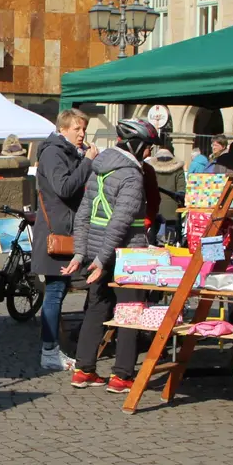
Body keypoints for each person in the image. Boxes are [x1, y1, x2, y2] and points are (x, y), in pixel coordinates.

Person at [64, 119, 161, 393]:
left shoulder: (99, 169)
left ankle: (83, 370)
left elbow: (83, 215)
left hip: (98, 251)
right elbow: (120, 222)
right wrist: (100, 259)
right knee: (129, 312)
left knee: (97, 307)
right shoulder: (131, 174)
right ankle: (122, 376)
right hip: (126, 252)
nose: (149, 154)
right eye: (147, 148)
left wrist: (84, 253)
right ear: (137, 145)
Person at [30, 109, 96, 371]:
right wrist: (87, 161)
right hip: (56, 234)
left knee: (59, 291)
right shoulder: (54, 153)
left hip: (65, 230)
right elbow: (65, 188)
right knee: (55, 293)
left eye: (84, 129)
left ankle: (52, 348)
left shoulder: (67, 152)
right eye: (77, 129)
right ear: (64, 128)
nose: (82, 134)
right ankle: (49, 351)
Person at [149, 144, 186, 246]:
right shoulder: (178, 169)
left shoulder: (151, 168)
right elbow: (181, 189)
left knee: (153, 231)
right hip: (172, 205)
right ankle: (170, 246)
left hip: (155, 204)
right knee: (170, 233)